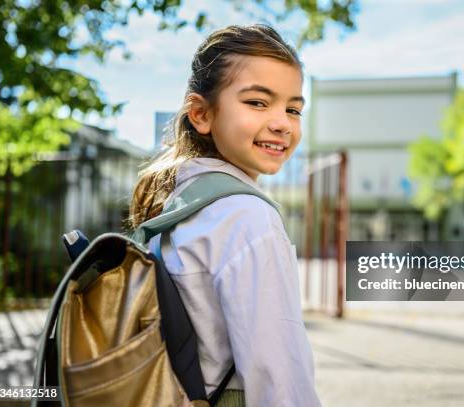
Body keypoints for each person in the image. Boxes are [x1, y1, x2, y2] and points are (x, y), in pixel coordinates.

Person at [128, 24, 321, 407]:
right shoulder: (246, 217)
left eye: (293, 108)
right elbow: (278, 376)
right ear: (200, 114)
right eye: (257, 102)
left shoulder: (179, 205)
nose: (283, 122)